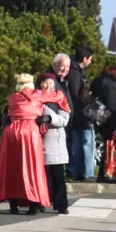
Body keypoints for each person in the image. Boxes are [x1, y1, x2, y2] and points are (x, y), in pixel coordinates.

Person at [0, 74, 52, 215]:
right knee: (33, 167)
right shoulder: (37, 95)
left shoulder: (12, 97)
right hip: (30, 131)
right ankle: (34, 204)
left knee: (12, 167)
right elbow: (58, 96)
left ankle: (13, 204)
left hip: (11, 132)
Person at [37, 73, 71, 214]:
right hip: (38, 141)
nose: (48, 85)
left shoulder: (60, 98)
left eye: (51, 82)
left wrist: (49, 118)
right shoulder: (35, 98)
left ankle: (61, 204)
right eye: (45, 82)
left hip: (55, 142)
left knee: (58, 176)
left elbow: (64, 119)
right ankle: (41, 202)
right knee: (41, 176)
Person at [62, 49, 96, 180]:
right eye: (90, 58)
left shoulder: (73, 71)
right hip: (81, 113)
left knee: (76, 144)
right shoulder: (76, 73)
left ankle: (78, 172)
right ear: (85, 59)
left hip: (75, 115)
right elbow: (76, 94)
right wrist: (88, 98)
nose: (91, 61)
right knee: (86, 144)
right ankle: (87, 173)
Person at [91, 60, 116, 180]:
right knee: (111, 148)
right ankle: (108, 173)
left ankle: (104, 173)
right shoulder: (110, 86)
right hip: (111, 122)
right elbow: (112, 104)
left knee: (106, 147)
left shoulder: (98, 82)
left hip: (101, 120)